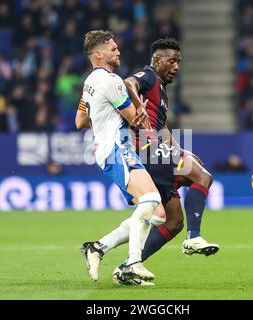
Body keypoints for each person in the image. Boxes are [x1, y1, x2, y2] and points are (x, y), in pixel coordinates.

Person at [78, 38, 220, 285]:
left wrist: (179, 150)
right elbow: (130, 82)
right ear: (157, 60)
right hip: (141, 148)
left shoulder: (158, 93)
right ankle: (193, 237)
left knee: (170, 220)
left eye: (179, 62)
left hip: (145, 149)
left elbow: (81, 120)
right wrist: (136, 115)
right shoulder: (149, 75)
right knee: (202, 176)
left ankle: (116, 260)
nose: (176, 66)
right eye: (172, 61)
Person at [75, 30, 166, 284]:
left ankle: (98, 247)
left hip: (109, 149)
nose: (118, 52)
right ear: (98, 53)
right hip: (117, 147)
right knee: (150, 199)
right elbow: (134, 119)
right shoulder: (111, 80)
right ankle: (133, 263)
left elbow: (80, 120)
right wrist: (143, 107)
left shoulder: (90, 83)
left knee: (157, 213)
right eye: (113, 49)